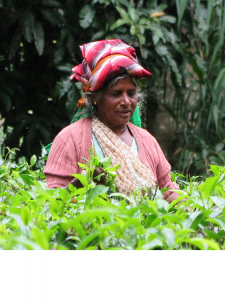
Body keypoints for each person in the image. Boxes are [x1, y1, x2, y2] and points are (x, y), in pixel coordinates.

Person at [43, 39, 181, 202]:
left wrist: (190, 209)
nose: (126, 101)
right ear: (94, 97)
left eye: (131, 93)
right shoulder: (70, 140)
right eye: (116, 94)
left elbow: (167, 189)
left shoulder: (147, 141)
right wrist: (84, 183)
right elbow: (51, 203)